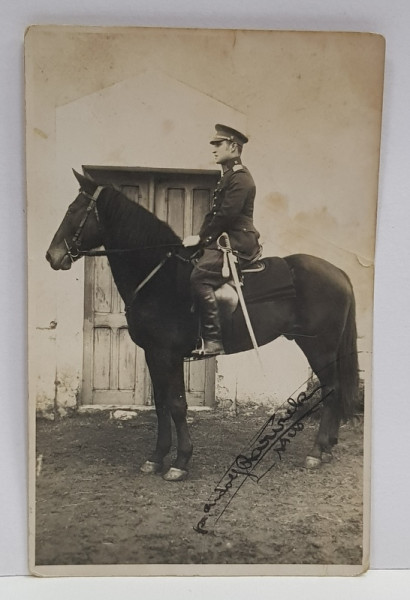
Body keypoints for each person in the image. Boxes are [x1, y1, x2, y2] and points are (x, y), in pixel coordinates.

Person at [183, 124, 261, 356]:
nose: (214, 149)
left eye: (219, 144)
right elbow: (214, 215)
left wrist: (203, 237)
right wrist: (200, 239)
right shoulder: (227, 177)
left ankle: (214, 340)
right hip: (226, 238)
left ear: (234, 148)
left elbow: (227, 215)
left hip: (239, 240)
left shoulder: (241, 179)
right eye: (214, 144)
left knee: (199, 277)